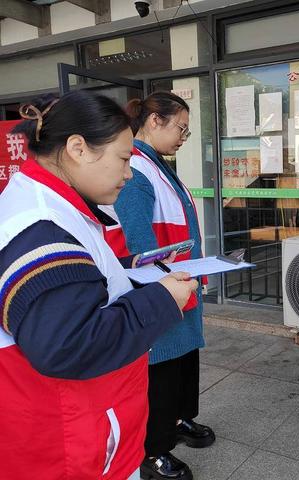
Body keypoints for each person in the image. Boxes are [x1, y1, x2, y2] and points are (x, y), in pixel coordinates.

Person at [0, 90, 198, 479]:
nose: (128, 173)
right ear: (78, 148)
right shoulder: (43, 226)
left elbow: (80, 280)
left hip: (80, 433)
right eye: (123, 159)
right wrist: (162, 298)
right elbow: (68, 343)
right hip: (70, 447)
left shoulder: (52, 205)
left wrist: (129, 271)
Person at [105, 91, 214, 480]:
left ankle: (180, 420)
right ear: (154, 121)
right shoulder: (136, 168)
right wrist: (165, 284)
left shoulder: (160, 165)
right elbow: (139, 243)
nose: (184, 136)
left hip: (180, 280)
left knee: (184, 362)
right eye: (180, 128)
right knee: (162, 368)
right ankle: (154, 449)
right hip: (162, 286)